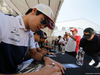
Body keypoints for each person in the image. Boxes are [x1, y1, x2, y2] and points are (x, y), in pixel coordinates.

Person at [0, 3, 65, 75]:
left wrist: (46, 59)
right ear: (34, 11)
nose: (43, 27)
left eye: (45, 26)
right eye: (43, 22)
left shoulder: (30, 33)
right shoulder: (3, 21)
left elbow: (34, 53)